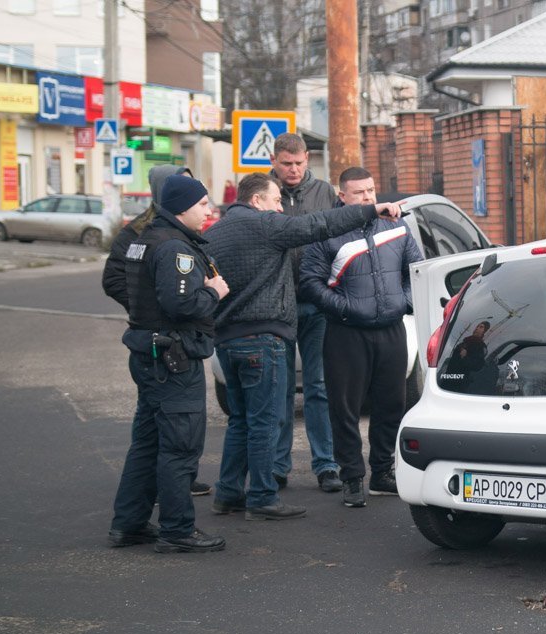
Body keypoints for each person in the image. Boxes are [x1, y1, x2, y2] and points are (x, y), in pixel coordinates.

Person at [204, 173, 404, 520]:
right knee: (265, 420)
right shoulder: (265, 225)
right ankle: (264, 495)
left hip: (226, 339)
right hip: (262, 337)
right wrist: (371, 211)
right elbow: (319, 224)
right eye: (276, 201)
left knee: (240, 420)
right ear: (256, 201)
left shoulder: (213, 233)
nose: (281, 208)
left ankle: (228, 492)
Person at [107, 174, 230, 553]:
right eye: (202, 204)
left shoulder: (143, 239)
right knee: (179, 446)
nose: (209, 210)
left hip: (151, 354)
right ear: (181, 208)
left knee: (146, 443)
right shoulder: (174, 248)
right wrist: (213, 292)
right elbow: (181, 305)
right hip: (174, 359)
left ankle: (129, 525)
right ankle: (178, 529)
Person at [299, 167, 423, 507]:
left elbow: (416, 270)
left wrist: (404, 303)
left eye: (370, 190)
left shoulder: (395, 225)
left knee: (391, 406)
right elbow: (309, 281)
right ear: (343, 196)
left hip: (391, 330)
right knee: (345, 409)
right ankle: (352, 477)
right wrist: (345, 308)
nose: (368, 198)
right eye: (359, 193)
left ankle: (382, 473)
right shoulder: (327, 231)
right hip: (345, 332)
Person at [102, 163, 212, 498]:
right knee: (174, 440)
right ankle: (176, 526)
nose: (203, 206)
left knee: (154, 440)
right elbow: (118, 281)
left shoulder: (165, 233)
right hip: (167, 347)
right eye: (192, 194)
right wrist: (147, 309)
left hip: (153, 344)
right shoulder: (151, 235)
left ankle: (131, 522)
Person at [270, 132, 339, 492]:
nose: (293, 170)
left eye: (298, 163)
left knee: (319, 387)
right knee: (279, 389)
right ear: (273, 160)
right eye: (286, 164)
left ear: (307, 159)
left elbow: (339, 240)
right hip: (276, 305)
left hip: (317, 302)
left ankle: (326, 465)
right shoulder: (263, 192)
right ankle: (278, 467)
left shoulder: (324, 193)